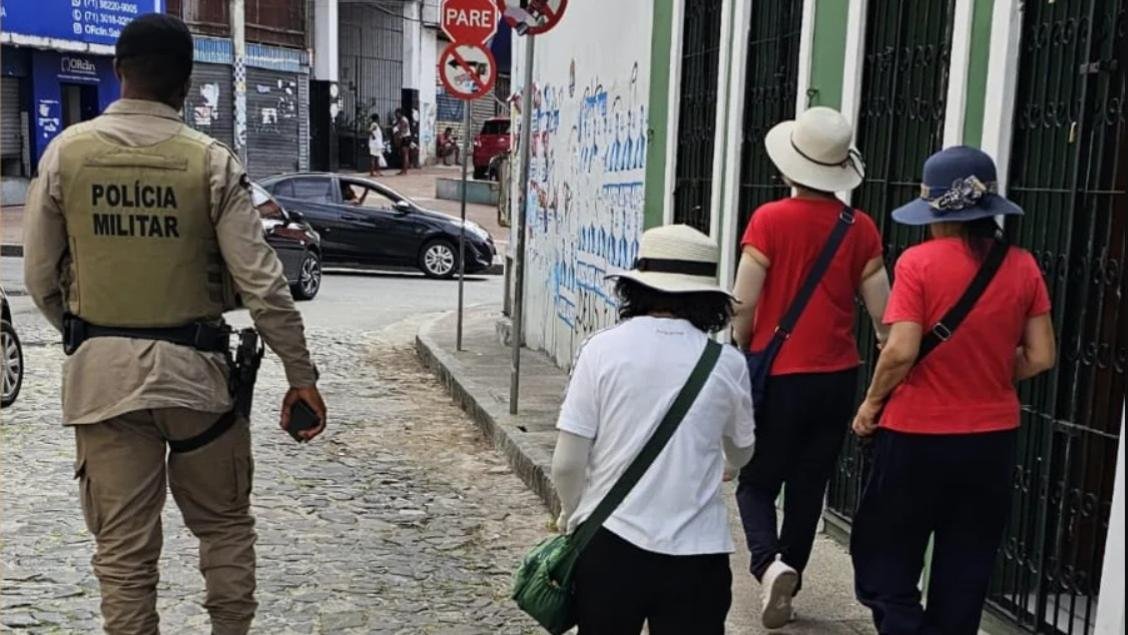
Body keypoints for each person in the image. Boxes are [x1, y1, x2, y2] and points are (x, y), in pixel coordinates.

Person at [22, 14, 328, 635]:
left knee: (125, 556)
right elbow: (264, 284)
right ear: (187, 84)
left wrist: (89, 335)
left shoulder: (65, 154)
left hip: (103, 384)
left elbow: (38, 277)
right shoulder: (210, 163)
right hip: (199, 380)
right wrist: (301, 376)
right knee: (223, 526)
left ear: (118, 73)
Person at [850, 146, 1056, 635]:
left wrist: (871, 403)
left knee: (887, 555)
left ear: (940, 214)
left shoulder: (918, 263)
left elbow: (900, 351)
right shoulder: (1023, 265)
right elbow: (1042, 355)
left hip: (915, 436)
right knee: (966, 562)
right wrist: (985, 372)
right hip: (991, 439)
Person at [729, 106, 891, 629]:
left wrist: (746, 346)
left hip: (780, 375)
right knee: (808, 486)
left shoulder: (769, 221)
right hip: (838, 375)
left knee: (755, 483)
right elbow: (883, 316)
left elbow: (743, 304)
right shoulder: (861, 228)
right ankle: (790, 579)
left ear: (789, 167)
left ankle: (766, 563)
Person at [552, 225, 757, 633]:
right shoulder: (728, 364)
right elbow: (743, 450)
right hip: (698, 552)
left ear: (637, 286)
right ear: (708, 299)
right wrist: (726, 461)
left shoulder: (601, 350)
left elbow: (568, 461)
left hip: (610, 541)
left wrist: (570, 510)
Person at [393, 108, 413, 175]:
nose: (396, 115)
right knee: (403, 154)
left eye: (397, 113)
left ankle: (405, 170)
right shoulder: (400, 120)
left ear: (400, 113)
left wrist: (398, 137)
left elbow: (402, 130)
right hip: (404, 137)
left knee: (405, 154)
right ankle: (403, 170)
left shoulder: (403, 120)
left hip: (405, 138)